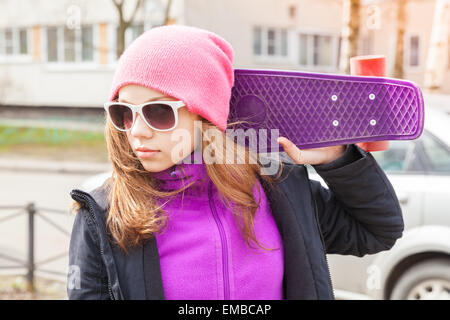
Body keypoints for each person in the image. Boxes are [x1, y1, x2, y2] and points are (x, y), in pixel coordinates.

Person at [67, 25, 404, 300]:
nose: (137, 132)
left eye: (158, 111)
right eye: (124, 113)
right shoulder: (104, 216)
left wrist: (337, 159)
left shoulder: (278, 188)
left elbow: (376, 230)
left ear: (206, 115)